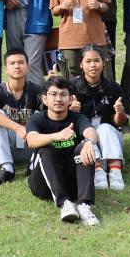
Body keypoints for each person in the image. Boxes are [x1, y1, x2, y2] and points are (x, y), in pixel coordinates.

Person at [26, 76, 101, 226]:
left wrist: (88, 142)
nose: (58, 99)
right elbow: (31, 140)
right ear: (45, 99)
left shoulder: (77, 117)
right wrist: (56, 136)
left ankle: (84, 205)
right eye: (53, 94)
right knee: (46, 150)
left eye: (63, 94)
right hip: (43, 184)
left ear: (70, 99)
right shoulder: (37, 119)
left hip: (71, 182)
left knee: (85, 147)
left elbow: (91, 132)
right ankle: (64, 203)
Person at [69, 44, 128, 190]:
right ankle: (98, 170)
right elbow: (62, 121)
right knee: (87, 131)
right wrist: (70, 111)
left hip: (110, 139)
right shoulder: (71, 87)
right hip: (84, 141)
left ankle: (115, 171)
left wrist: (119, 112)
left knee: (105, 127)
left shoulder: (113, 87)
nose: (93, 65)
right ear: (81, 64)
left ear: (103, 62)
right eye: (88, 61)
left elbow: (120, 123)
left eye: (97, 60)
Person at [0, 48, 42, 186]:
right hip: (6, 148)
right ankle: (6, 167)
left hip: (31, 146)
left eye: (21, 62)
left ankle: (34, 163)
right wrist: (17, 128)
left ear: (28, 67)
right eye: (12, 63)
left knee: (42, 114)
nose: (17, 66)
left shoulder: (37, 89)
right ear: (6, 69)